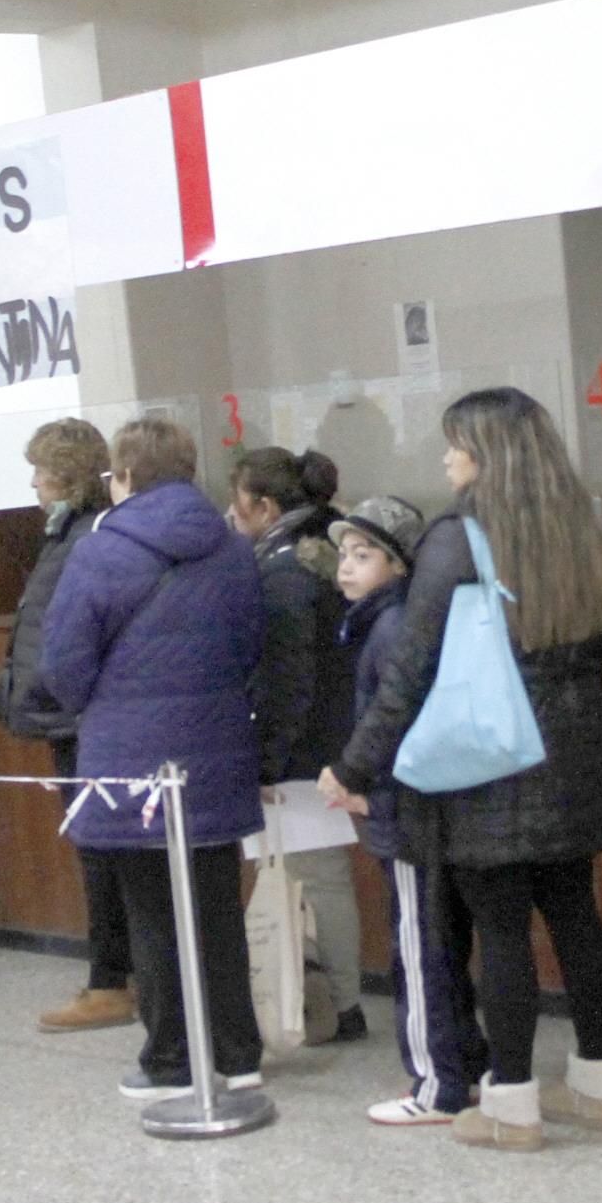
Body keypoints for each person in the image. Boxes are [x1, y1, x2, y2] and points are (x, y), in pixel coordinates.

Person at [330, 388, 602, 1152]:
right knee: (575, 914)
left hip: (490, 755)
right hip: (576, 750)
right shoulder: (581, 524)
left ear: (485, 452)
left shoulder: (460, 535)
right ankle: (597, 1085)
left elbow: (413, 665)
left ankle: (512, 1106)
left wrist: (355, 767)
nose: (445, 458)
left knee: (500, 931)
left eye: (454, 443)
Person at [38, 416, 266, 1100]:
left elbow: (63, 664)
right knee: (217, 909)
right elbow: (251, 646)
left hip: (129, 755)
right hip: (216, 747)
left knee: (151, 915)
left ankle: (170, 1060)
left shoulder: (100, 550)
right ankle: (238, 1054)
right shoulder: (232, 549)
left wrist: (105, 706)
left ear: (126, 475)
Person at [319, 495, 486, 1123]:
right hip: (412, 809)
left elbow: (403, 723)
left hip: (405, 812)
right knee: (437, 946)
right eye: (344, 553)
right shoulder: (382, 623)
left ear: (398, 565)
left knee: (418, 951)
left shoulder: (390, 629)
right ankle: (466, 1064)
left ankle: (436, 1085)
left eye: (364, 555)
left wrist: (368, 789)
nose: (347, 566)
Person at [0, 418, 134, 1032]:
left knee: (102, 853)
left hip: (80, 719)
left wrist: (59, 699)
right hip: (74, 715)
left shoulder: (84, 538)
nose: (33, 483)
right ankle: (121, 973)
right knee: (101, 851)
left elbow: (70, 634)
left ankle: (111, 981)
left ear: (67, 476)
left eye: (41, 471)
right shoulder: (71, 534)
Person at [229, 446, 363, 1041]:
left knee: (313, 873)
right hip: (331, 736)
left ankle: (337, 1004)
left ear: (264, 506)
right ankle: (328, 1000)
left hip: (303, 750)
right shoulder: (329, 547)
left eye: (237, 502)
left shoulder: (283, 572)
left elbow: (287, 680)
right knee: (315, 873)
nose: (231, 515)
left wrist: (266, 759)